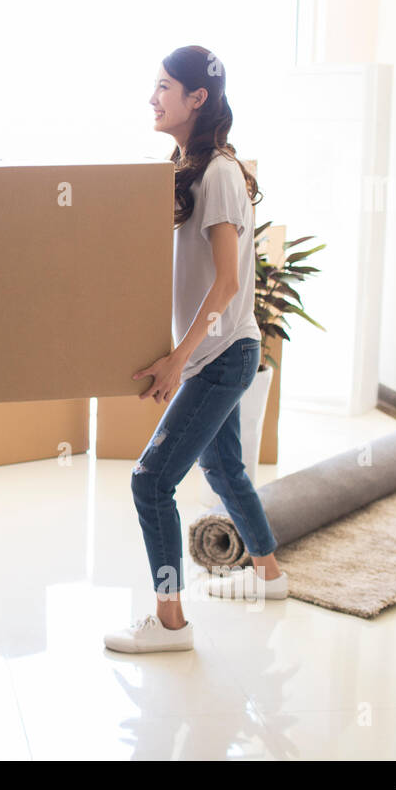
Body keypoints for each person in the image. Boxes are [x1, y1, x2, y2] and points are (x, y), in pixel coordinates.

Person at [104, 45, 286, 654]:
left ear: (197, 98)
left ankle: (170, 622)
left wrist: (179, 360)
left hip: (223, 353)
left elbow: (230, 282)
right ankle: (270, 575)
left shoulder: (221, 174)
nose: (152, 98)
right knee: (223, 466)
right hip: (216, 353)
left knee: (151, 481)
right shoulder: (186, 168)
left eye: (163, 87)